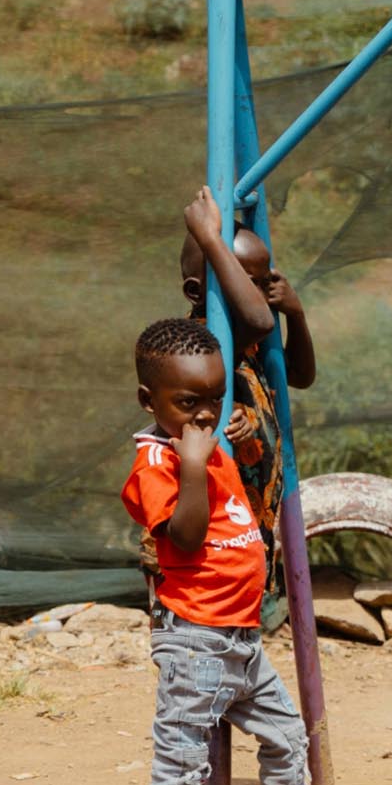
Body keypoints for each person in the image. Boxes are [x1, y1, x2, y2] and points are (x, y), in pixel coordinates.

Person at [123, 318, 343, 785]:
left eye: (215, 400)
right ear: (150, 401)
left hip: (241, 640)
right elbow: (187, 540)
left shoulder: (209, 441)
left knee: (287, 738)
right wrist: (194, 464)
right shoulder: (158, 463)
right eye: (186, 403)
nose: (202, 415)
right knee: (183, 760)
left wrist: (237, 434)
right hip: (195, 640)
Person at [145, 189, 316, 609]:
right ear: (196, 289)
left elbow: (300, 375)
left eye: (262, 283)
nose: (259, 296)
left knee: (240, 627)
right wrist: (209, 238)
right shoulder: (200, 345)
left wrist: (295, 314)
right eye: (245, 282)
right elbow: (258, 319)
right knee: (203, 627)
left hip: (246, 527)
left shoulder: (246, 344)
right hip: (203, 536)